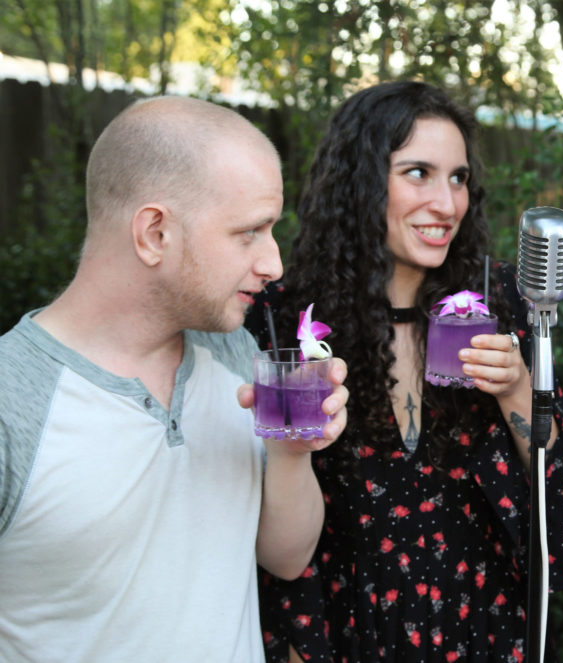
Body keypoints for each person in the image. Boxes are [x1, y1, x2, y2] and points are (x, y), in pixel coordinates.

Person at [0, 96, 349, 662]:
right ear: (155, 233)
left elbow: (286, 558)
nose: (274, 264)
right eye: (249, 233)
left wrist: (293, 451)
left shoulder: (237, 353)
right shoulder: (12, 401)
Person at [245, 80, 563, 662]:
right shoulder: (285, 320)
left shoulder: (497, 298)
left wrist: (518, 387)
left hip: (482, 627)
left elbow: (560, 479)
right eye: (418, 173)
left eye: (458, 178)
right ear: (360, 181)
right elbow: (248, 504)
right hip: (348, 633)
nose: (448, 203)